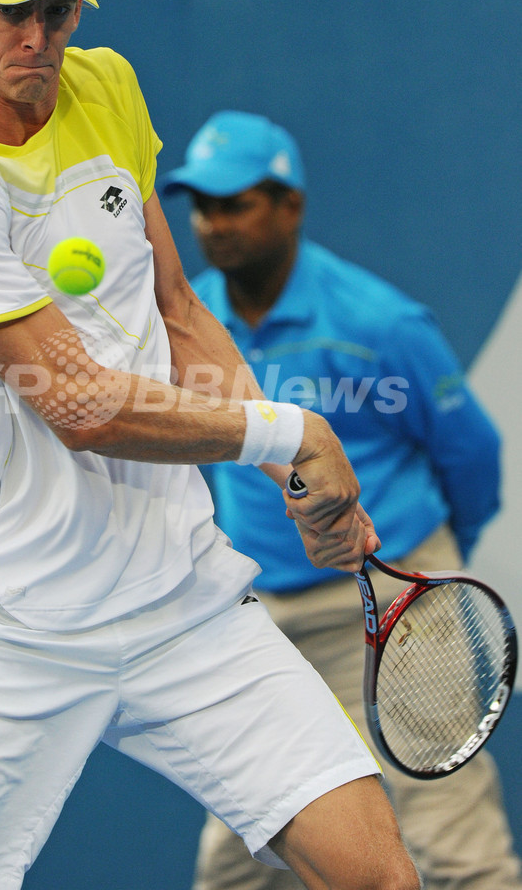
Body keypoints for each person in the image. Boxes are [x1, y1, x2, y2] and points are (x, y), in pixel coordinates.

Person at [0, 0, 422, 890]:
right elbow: (78, 405)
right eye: (11, 11)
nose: (38, 38)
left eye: (58, 12)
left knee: (379, 876)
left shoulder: (106, 85)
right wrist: (288, 433)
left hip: (181, 603)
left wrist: (288, 477)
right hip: (11, 625)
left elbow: (176, 308)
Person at [160, 109, 522, 890]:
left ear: (289, 205)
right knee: (235, 865)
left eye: (236, 203)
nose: (214, 224)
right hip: (260, 616)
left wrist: (420, 561)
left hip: (394, 605)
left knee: (456, 850)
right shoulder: (188, 325)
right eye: (203, 207)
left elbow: (470, 456)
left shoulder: (378, 323)